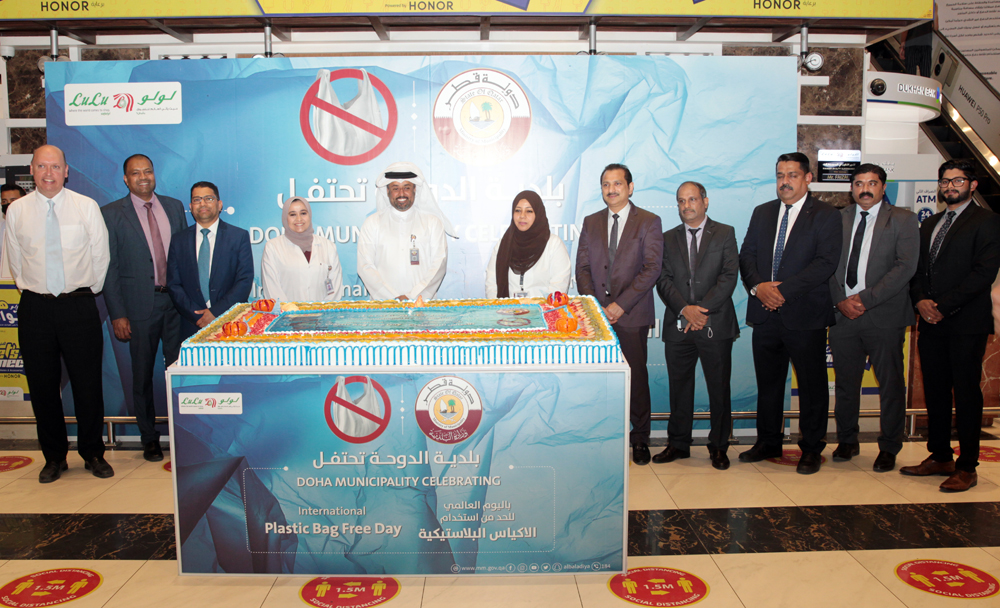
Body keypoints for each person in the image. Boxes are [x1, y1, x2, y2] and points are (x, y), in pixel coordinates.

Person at [3, 145, 112, 483]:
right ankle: (54, 457)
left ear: (66, 171)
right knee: (42, 385)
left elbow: (100, 256)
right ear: (32, 171)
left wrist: (84, 290)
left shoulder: (86, 207)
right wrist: (34, 289)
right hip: (36, 306)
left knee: (88, 384)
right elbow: (16, 260)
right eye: (41, 166)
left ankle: (93, 452)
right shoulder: (17, 210)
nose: (48, 173)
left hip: (78, 303)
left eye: (55, 167)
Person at [738, 152, 842, 475]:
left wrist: (781, 291)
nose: (785, 181)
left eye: (792, 175)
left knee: (811, 386)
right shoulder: (763, 213)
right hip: (766, 314)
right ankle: (768, 440)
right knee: (768, 383)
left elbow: (825, 263)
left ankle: (811, 447)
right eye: (780, 175)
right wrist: (759, 288)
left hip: (805, 316)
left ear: (808, 178)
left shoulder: (826, 215)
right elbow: (747, 257)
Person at [901, 159, 1000, 492]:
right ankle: (940, 455)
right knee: (936, 391)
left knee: (967, 393)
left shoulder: (988, 222)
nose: (949, 187)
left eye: (957, 181)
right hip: (930, 322)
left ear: (972, 184)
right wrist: (920, 301)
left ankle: (967, 466)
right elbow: (915, 272)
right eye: (944, 181)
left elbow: (982, 275)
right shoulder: (929, 226)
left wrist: (942, 306)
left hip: (966, 322)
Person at [828, 164, 919, 473]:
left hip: (884, 316)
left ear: (882, 187)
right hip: (843, 317)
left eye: (872, 183)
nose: (864, 189)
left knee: (890, 385)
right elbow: (826, 265)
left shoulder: (904, 220)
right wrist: (841, 301)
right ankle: (847, 440)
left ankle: (890, 445)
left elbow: (905, 268)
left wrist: (863, 300)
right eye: (858, 183)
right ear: (851, 188)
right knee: (845, 384)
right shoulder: (837, 220)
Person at [102, 154, 188, 462]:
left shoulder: (175, 207)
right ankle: (149, 438)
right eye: (135, 173)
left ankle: (184, 435)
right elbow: (109, 268)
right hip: (139, 306)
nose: (143, 177)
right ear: (125, 179)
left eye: (148, 171)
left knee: (179, 373)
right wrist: (117, 313)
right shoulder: (111, 214)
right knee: (141, 376)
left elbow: (184, 257)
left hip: (176, 304)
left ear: (155, 174)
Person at [577, 163, 663, 465]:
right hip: (598, 318)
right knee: (602, 381)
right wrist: (598, 307)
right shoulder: (591, 222)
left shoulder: (649, 222)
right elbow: (583, 268)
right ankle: (604, 438)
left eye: (616, 183)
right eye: (605, 184)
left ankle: (640, 439)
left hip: (632, 315)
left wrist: (620, 305)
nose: (611, 189)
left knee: (636, 378)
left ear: (630, 187)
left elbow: (652, 268)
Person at [652, 181, 739, 470]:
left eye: (691, 200)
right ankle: (678, 444)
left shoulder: (725, 233)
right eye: (680, 201)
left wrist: (701, 311)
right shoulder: (667, 238)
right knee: (679, 388)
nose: (686, 206)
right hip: (678, 324)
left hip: (715, 323)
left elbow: (728, 276)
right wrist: (684, 310)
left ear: (705, 201)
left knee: (718, 387)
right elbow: (662, 280)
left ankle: (719, 446)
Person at [166, 181, 253, 340]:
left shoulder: (238, 237)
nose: (203, 203)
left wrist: (215, 313)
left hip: (231, 322)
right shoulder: (178, 240)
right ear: (191, 207)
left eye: (208, 198)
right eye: (197, 200)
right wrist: (198, 316)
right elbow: (174, 284)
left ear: (220, 204)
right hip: (191, 324)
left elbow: (244, 280)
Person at [358, 162, 454, 301]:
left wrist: (412, 297)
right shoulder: (372, 223)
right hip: (384, 306)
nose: (401, 193)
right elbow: (365, 265)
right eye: (395, 188)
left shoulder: (432, 223)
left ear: (415, 189)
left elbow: (439, 264)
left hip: (422, 304)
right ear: (387, 191)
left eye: (407, 187)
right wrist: (393, 298)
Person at [485, 190, 570, 298]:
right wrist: (500, 309)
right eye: (517, 210)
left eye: (529, 211)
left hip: (543, 312)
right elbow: (492, 284)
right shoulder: (503, 245)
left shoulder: (554, 245)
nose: (522, 216)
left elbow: (558, 287)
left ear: (538, 214)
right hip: (507, 312)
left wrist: (538, 310)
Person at [261, 196, 343, 301]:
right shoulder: (273, 247)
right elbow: (272, 289)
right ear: (285, 217)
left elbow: (335, 289)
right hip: (287, 315)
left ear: (310, 215)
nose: (299, 219)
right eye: (292, 214)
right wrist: (290, 313)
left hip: (322, 315)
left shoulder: (328, 246)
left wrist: (322, 314)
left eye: (303, 213)